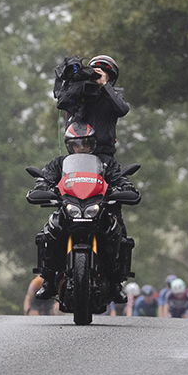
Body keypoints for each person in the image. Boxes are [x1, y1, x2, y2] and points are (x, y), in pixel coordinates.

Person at [31, 122, 139, 303]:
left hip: (97, 208)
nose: (81, 148)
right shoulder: (59, 163)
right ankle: (48, 281)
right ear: (69, 146)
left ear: (92, 144)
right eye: (76, 144)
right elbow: (46, 177)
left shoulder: (105, 163)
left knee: (118, 231)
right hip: (69, 209)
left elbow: (118, 177)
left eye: (86, 144)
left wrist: (125, 186)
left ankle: (115, 283)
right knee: (47, 232)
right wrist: (42, 186)